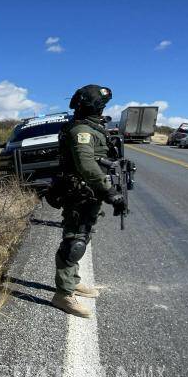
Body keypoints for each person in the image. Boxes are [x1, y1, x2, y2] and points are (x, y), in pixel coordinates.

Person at [51, 84, 126, 318]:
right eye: (101, 105)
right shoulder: (81, 130)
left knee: (83, 235)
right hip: (79, 193)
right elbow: (86, 164)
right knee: (74, 243)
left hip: (90, 192)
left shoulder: (93, 127)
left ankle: (72, 282)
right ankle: (63, 295)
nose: (103, 109)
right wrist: (109, 192)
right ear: (92, 106)